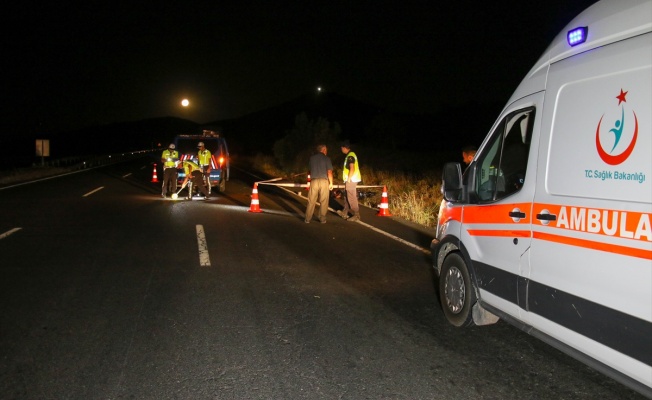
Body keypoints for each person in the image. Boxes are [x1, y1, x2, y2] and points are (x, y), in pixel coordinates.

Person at [304, 144, 333, 224]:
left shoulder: (312, 158)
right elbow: (329, 172)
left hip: (314, 181)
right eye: (326, 149)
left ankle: (307, 218)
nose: (326, 151)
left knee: (311, 200)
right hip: (324, 181)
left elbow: (310, 169)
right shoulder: (327, 158)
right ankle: (322, 218)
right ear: (323, 150)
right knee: (324, 201)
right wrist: (331, 183)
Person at [337, 140, 362, 222]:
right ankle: (345, 212)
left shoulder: (350, 156)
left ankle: (356, 214)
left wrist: (349, 178)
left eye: (342, 148)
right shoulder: (350, 155)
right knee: (346, 196)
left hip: (351, 179)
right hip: (350, 179)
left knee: (351, 197)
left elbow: (352, 168)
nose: (341, 149)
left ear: (344, 148)